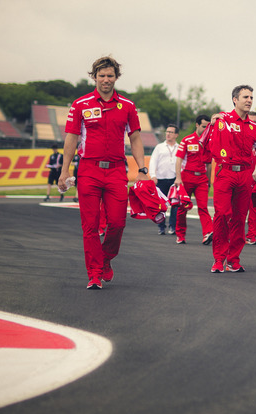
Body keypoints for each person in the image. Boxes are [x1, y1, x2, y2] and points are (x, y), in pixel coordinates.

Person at [58, 55, 151, 290]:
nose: (106, 80)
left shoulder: (128, 106)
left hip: (117, 171)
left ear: (116, 77)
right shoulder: (81, 105)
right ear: (94, 77)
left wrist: (142, 169)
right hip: (88, 170)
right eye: (102, 76)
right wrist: (64, 170)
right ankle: (94, 273)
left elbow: (136, 138)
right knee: (90, 226)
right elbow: (71, 139)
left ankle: (105, 258)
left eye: (110, 75)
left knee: (118, 223)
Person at [207, 84, 256, 273]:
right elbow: (210, 140)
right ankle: (218, 258)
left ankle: (233, 259)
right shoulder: (223, 119)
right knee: (222, 215)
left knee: (239, 218)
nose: (249, 100)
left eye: (251, 97)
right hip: (226, 172)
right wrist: (214, 122)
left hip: (245, 175)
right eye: (245, 97)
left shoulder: (254, 127)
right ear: (235, 100)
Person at [174, 114, 214, 245]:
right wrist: (178, 178)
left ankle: (208, 233)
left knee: (203, 207)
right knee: (182, 207)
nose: (205, 129)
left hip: (202, 178)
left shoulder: (209, 141)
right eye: (203, 126)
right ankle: (180, 234)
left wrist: (208, 181)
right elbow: (179, 160)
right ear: (197, 125)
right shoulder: (187, 140)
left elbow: (209, 164)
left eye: (208, 126)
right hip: (186, 177)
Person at [149, 124, 180, 236]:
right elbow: (153, 161)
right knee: (161, 205)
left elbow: (182, 163)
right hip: (161, 179)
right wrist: (153, 175)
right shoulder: (159, 147)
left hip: (174, 180)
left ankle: (173, 227)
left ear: (176, 135)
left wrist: (179, 177)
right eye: (167, 132)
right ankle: (161, 227)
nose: (168, 134)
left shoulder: (179, 147)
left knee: (175, 204)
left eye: (171, 132)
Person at [245, 110, 256, 245]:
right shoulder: (239, 137)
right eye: (249, 121)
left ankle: (251, 235)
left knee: (254, 209)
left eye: (255, 122)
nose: (252, 124)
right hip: (241, 178)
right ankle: (233, 234)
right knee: (236, 209)